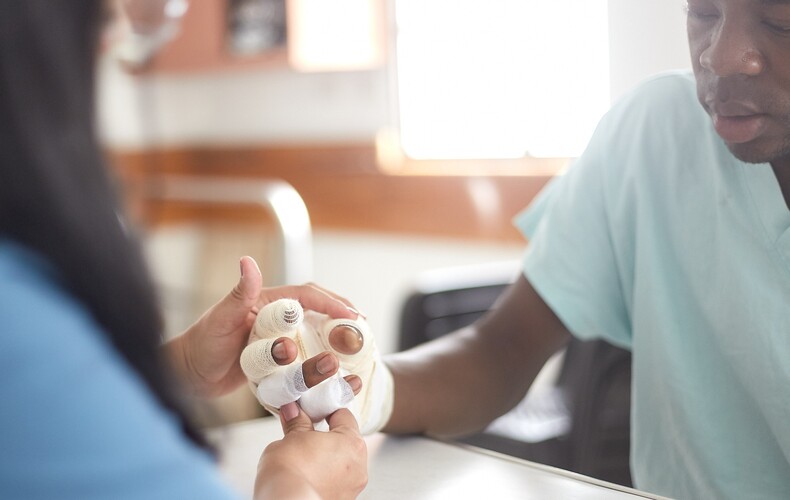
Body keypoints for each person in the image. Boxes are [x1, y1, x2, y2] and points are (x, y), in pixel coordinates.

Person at [381, 1, 790, 499]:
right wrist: (351, 383)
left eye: (779, 22)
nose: (721, 57)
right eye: (704, 11)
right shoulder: (654, 131)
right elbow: (499, 351)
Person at [0, 1, 367, 498]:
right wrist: (298, 484)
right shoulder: (20, 314)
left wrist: (182, 367)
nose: (115, 38)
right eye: (105, 15)